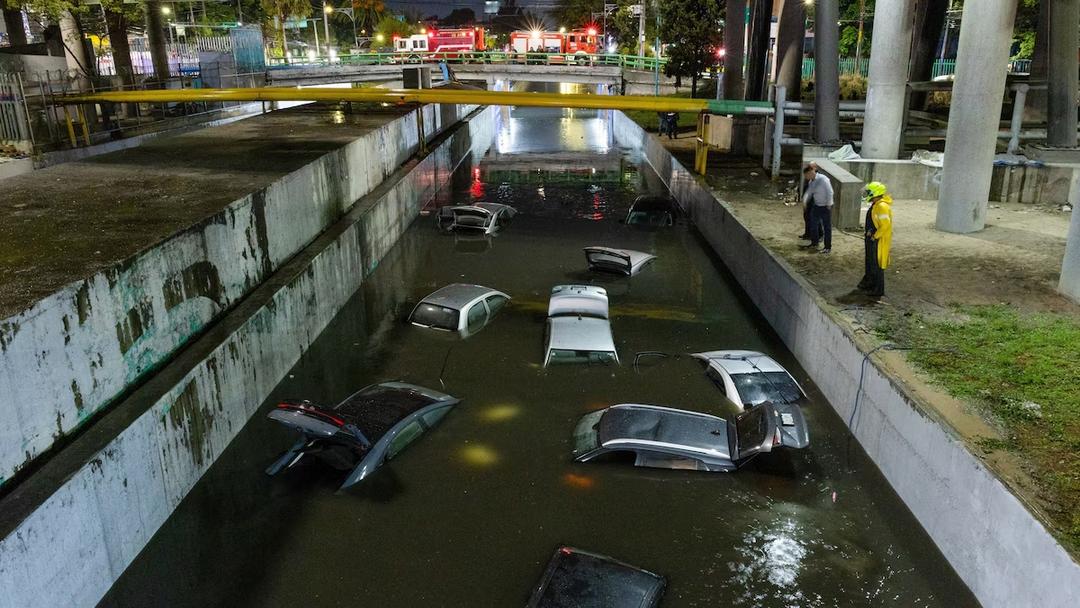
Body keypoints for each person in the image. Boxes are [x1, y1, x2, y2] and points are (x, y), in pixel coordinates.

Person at [858, 181, 893, 297]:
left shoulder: (881, 206)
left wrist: (874, 236)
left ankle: (877, 290)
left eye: (868, 192)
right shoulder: (877, 205)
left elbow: (885, 225)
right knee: (871, 263)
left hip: (878, 241)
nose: (866, 194)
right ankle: (870, 283)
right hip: (873, 239)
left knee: (877, 265)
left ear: (875, 193)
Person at [800, 163, 833, 253]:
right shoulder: (812, 182)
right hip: (817, 206)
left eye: (806, 175)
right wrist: (804, 201)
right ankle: (814, 243)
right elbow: (809, 192)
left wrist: (829, 203)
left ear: (811, 172)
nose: (806, 177)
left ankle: (827, 247)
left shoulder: (823, 179)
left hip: (825, 206)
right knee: (813, 224)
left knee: (827, 227)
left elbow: (829, 191)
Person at [798, 161, 818, 239]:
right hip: (808, 201)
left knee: (813, 220)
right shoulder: (808, 177)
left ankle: (815, 236)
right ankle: (807, 234)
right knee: (807, 217)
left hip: (814, 202)